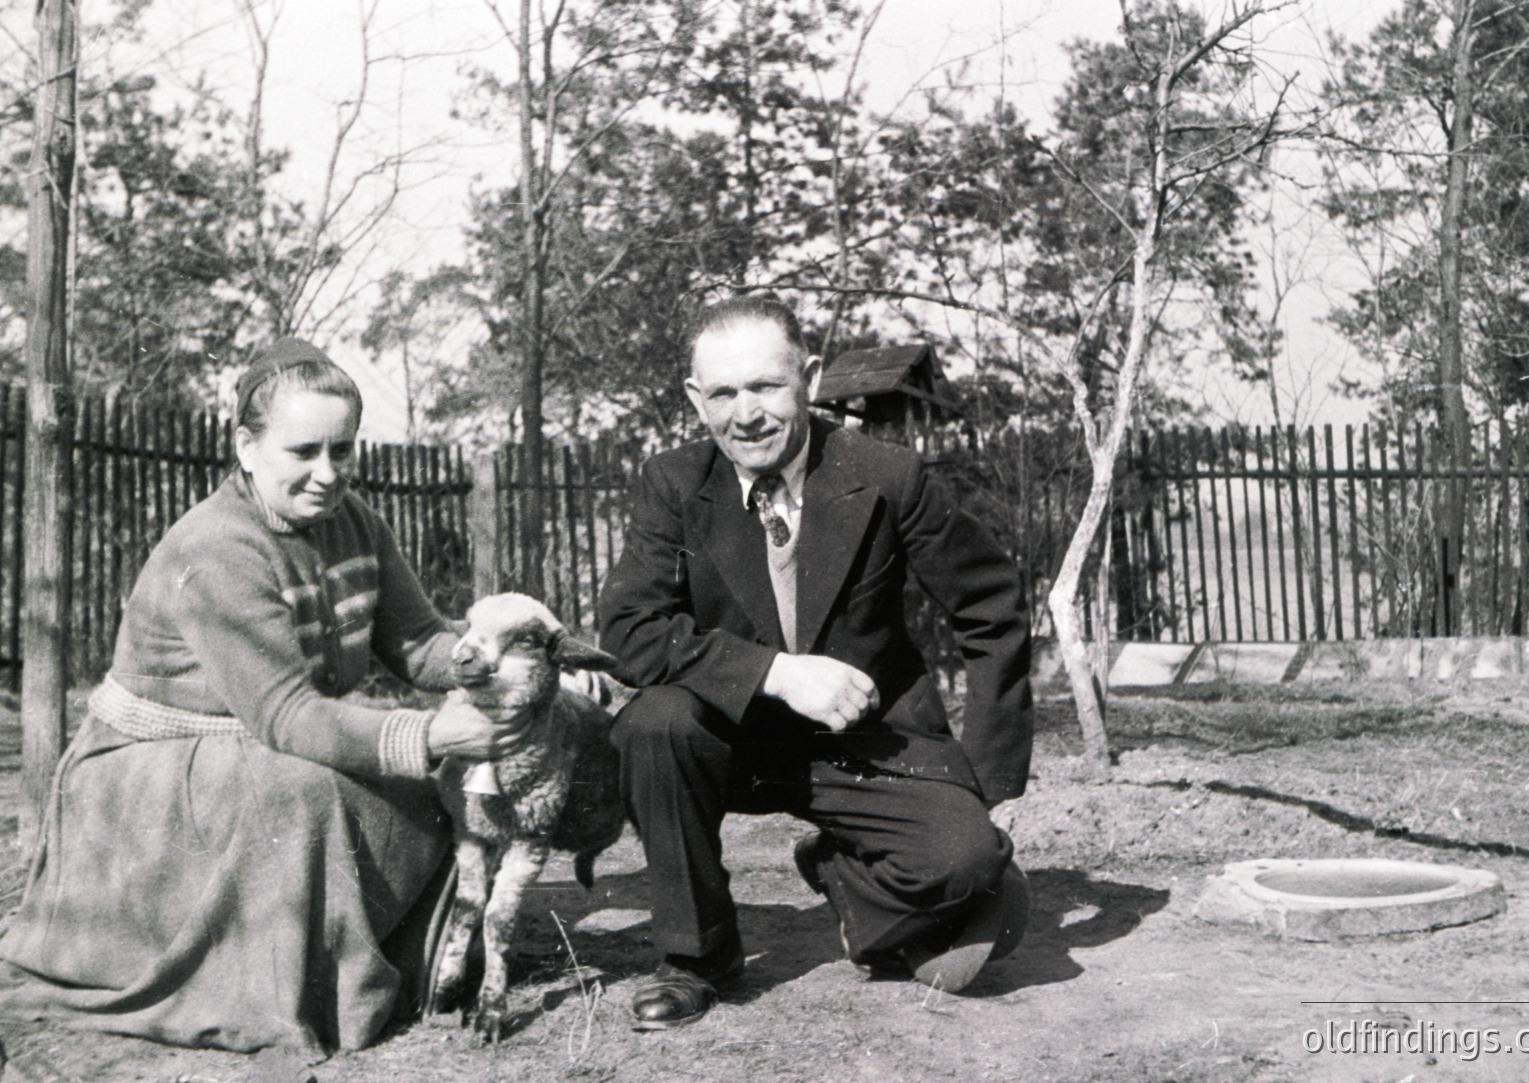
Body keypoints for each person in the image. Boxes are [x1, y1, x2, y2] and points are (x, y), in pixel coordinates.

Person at [0, 338, 525, 1054]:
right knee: (309, 794)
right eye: (303, 450)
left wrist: (494, 663)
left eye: (342, 450)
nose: (327, 473)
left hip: (259, 741)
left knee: (415, 783)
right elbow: (288, 716)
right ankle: (291, 983)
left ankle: (419, 956)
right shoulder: (218, 547)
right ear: (246, 447)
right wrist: (429, 735)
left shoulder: (357, 522)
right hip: (148, 767)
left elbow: (417, 642)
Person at [598, 296, 1034, 1031]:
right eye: (724, 393)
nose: (746, 414)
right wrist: (776, 672)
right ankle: (695, 956)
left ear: (808, 377)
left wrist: (983, 786)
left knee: (965, 861)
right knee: (654, 721)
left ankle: (842, 872)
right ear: (694, 399)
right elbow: (629, 628)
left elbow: (990, 608)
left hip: (863, 741)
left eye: (765, 386)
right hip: (732, 739)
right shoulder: (673, 482)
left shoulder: (888, 476)